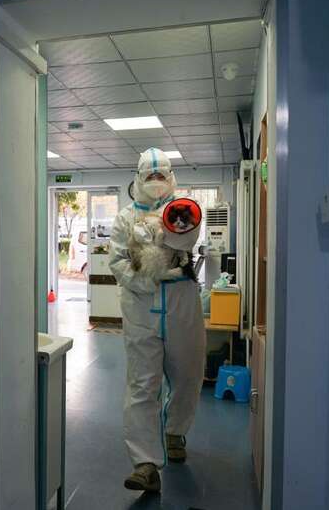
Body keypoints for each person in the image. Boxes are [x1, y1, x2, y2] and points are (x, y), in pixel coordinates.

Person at [109, 147, 206, 492]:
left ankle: (175, 431)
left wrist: (162, 231)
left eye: (160, 175)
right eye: (149, 175)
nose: (155, 180)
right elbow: (118, 262)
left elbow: (186, 236)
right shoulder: (125, 218)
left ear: (171, 177)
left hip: (181, 303)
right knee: (142, 384)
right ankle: (145, 463)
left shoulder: (184, 208)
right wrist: (148, 279)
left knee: (188, 375)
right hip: (140, 307)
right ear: (138, 178)